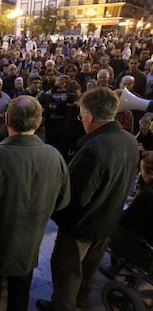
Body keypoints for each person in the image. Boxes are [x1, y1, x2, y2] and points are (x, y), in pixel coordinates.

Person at [36, 87, 140, 311]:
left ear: (90, 116)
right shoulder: (129, 141)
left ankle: (62, 307)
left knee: (67, 273)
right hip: (108, 222)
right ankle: (80, 303)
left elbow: (76, 197)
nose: (80, 119)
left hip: (81, 228)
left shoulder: (93, 148)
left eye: (80, 115)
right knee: (89, 270)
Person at [0, 95, 71, 311]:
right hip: (29, 242)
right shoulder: (55, 156)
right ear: (39, 122)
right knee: (20, 294)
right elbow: (62, 202)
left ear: (7, 121)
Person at [120, 150, 153, 241]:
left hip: (139, 241)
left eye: (142, 170)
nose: (141, 175)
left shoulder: (148, 194)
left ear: (150, 174)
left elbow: (126, 221)